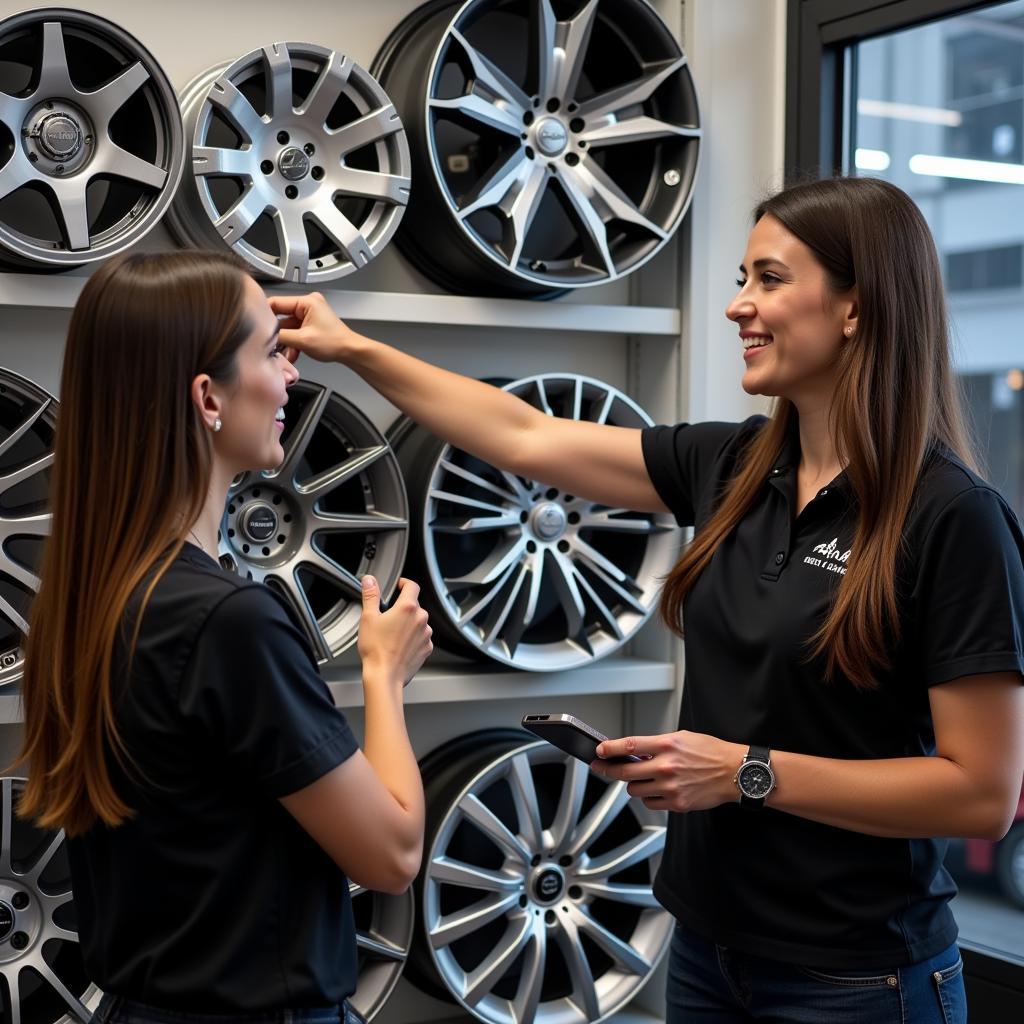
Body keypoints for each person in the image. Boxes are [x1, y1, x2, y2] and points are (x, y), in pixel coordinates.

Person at [268, 176, 1024, 1023]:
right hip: (708, 949)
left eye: (769, 280)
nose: (738, 306)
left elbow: (982, 794)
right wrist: (353, 348)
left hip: (857, 980)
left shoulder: (952, 518)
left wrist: (747, 773)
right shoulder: (734, 469)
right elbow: (524, 435)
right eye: (740, 278)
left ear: (857, 307)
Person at [16, 250, 433, 1024]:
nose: (292, 378)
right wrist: (385, 675)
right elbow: (391, 857)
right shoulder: (227, 623)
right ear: (208, 396)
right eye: (272, 353)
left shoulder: (91, 598)